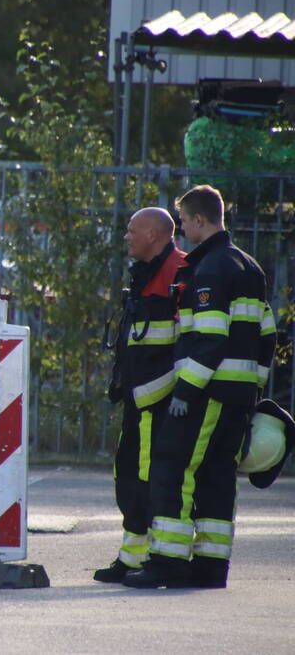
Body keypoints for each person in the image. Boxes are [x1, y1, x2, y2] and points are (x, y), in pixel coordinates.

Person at [124, 185, 276, 589]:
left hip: (207, 391)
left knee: (172, 468)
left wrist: (185, 391)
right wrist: (254, 389)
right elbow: (267, 335)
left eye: (185, 221)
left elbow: (209, 336)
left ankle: (166, 562)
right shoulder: (248, 265)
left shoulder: (208, 269)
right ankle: (210, 565)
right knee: (216, 478)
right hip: (238, 395)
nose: (183, 229)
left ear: (198, 221)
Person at [94, 207, 186, 583]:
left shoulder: (181, 272)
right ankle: (132, 556)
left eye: (133, 231)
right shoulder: (150, 272)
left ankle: (151, 558)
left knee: (147, 478)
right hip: (139, 400)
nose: (126, 238)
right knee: (128, 476)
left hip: (161, 404)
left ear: (154, 234)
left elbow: (188, 343)